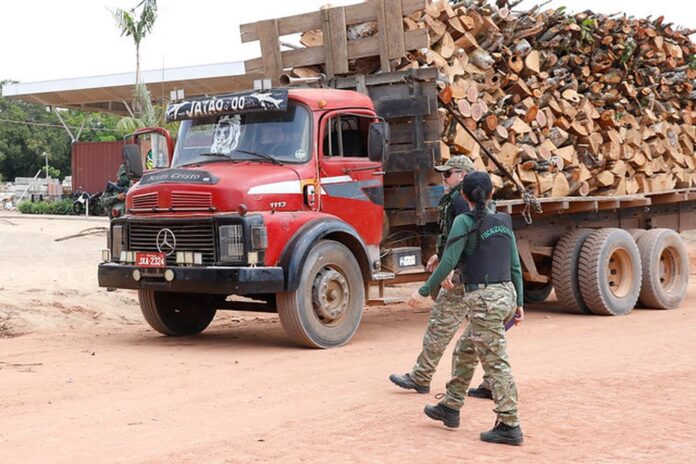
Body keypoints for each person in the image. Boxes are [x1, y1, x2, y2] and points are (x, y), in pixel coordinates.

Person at [407, 171, 524, 446]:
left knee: (496, 363)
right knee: (466, 349)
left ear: (463, 195)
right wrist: (519, 305)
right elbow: (515, 265)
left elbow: (447, 263)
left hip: (484, 301)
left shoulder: (463, 220)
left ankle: (510, 424)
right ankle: (451, 406)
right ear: (492, 195)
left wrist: (424, 291)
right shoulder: (504, 220)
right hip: (505, 296)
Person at [389, 155, 493, 400]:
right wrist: (440, 255)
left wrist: (449, 269)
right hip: (473, 273)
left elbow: (468, 240)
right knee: (484, 330)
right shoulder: (460, 199)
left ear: (463, 176)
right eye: (442, 174)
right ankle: (491, 382)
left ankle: (421, 376)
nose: (443, 178)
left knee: (440, 325)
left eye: (448, 174)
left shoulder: (460, 199)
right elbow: (454, 236)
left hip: (462, 275)